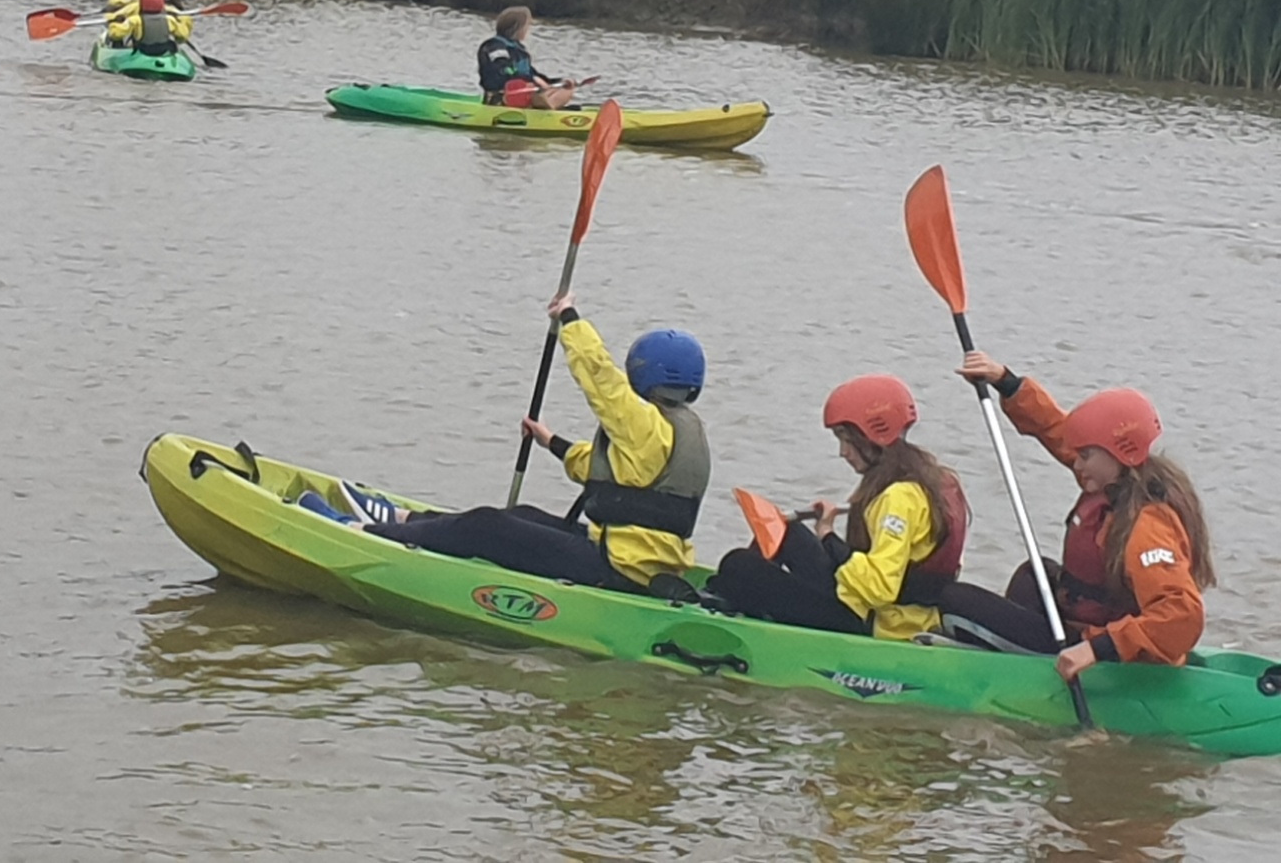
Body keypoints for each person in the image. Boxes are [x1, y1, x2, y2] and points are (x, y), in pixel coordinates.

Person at [299, 294, 710, 599]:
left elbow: (600, 379)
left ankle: (358, 532)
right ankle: (402, 519)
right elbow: (610, 475)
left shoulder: (644, 423)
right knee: (521, 515)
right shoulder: (680, 431)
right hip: (634, 562)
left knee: (486, 526)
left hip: (618, 569)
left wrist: (569, 319)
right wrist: (551, 442)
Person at [936, 355, 1212, 679]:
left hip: (1104, 653)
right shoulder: (1115, 477)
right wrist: (1007, 383)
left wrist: (1096, 649)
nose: (1075, 464)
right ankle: (1017, 659)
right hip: (1088, 627)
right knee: (1034, 575)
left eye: (1085, 456)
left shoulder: (1147, 524)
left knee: (953, 599)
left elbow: (1182, 616)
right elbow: (1056, 429)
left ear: (1119, 453)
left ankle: (1022, 671)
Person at [707, 375, 968, 640]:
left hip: (877, 623)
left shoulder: (899, 497)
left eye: (846, 439)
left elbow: (880, 587)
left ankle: (739, 616)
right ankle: (752, 602)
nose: (843, 452)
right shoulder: (935, 479)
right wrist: (826, 529)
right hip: (879, 609)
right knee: (789, 532)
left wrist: (829, 538)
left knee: (738, 565)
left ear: (873, 434)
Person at [476, 6, 576, 109]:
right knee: (535, 91)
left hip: (525, 92)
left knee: (566, 90)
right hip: (501, 95)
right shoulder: (494, 46)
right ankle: (545, 107)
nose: (528, 30)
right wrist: (532, 79)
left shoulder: (520, 51)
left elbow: (533, 74)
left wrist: (559, 82)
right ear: (517, 27)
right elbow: (504, 70)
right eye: (527, 26)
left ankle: (547, 107)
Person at [105, 0, 191, 55]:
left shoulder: (135, 20)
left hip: (142, 52)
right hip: (163, 52)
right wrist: (183, 18)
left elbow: (115, 34)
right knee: (172, 43)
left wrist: (114, 23)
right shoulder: (170, 20)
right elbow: (183, 36)